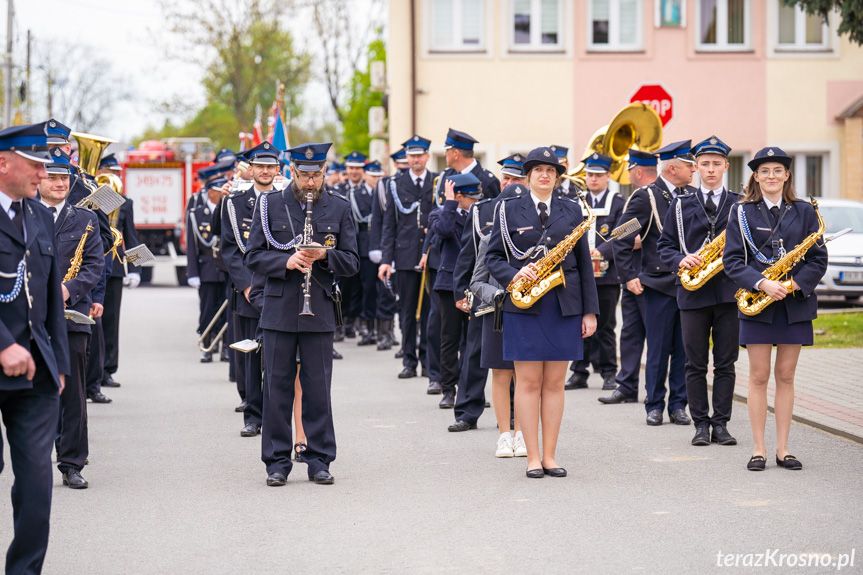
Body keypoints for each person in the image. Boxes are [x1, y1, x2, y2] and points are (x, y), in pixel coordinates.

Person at [245, 142, 359, 486]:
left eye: (317, 175)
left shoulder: (338, 206)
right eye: (304, 175)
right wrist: (285, 260)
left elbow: (353, 262)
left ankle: (319, 459)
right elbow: (252, 255)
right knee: (276, 387)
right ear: (291, 172)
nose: (311, 182)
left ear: (324, 172)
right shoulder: (269, 205)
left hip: (319, 308)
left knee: (317, 388)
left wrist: (324, 256)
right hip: (278, 308)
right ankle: (277, 462)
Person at [486, 147, 598, 478]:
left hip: (564, 305)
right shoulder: (507, 209)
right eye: (538, 170)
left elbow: (584, 267)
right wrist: (513, 275)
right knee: (529, 382)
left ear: (557, 176)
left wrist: (590, 312)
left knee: (554, 384)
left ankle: (550, 456)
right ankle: (532, 457)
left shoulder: (573, 209)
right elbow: (493, 257)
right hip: (525, 304)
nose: (545, 175)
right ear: (529, 175)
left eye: (551, 170)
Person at [724, 146, 827, 471]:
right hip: (758, 303)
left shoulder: (806, 211)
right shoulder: (742, 212)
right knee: (758, 376)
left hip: (794, 303)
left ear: (787, 175)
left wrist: (795, 284)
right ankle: (759, 449)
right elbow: (732, 261)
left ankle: (783, 449)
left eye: (777, 171)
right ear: (756, 176)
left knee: (785, 375)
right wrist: (762, 283)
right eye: (764, 171)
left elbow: (818, 259)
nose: (771, 176)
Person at [0, 123, 70, 575]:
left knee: (36, 482)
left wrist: (59, 363)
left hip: (36, 374)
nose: (44, 173)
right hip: (5, 356)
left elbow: (48, 300)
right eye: (36, 163)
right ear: (3, 162)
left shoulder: (39, 215)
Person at [658, 136, 741, 447]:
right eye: (704, 164)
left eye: (716, 164)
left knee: (725, 362)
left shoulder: (740, 204)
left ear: (725, 167)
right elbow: (664, 247)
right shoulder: (679, 205)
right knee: (694, 362)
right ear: (696, 167)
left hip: (729, 292)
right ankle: (700, 425)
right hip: (692, 293)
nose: (710, 169)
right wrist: (682, 259)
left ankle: (721, 424)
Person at [614, 140, 695, 426]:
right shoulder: (645, 197)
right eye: (689, 165)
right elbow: (621, 237)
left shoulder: (694, 196)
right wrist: (629, 276)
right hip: (658, 284)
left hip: (690, 285)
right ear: (673, 167)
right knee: (659, 348)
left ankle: (679, 404)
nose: (694, 169)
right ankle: (655, 404)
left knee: (684, 349)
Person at [39, 148, 104, 489]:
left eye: (64, 177)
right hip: (32, 317)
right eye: (52, 177)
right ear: (39, 180)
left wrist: (69, 290)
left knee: (75, 393)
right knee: (35, 391)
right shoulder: (25, 215)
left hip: (72, 313)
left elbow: (95, 265)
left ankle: (72, 463)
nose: (60, 183)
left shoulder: (85, 219)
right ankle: (35, 458)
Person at [448, 154, 526, 433]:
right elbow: (467, 255)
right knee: (474, 354)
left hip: (523, 297)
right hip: (486, 296)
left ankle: (516, 414)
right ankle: (467, 411)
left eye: (516, 178)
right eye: (506, 177)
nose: (509, 183)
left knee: (518, 359)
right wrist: (461, 291)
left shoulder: (535, 211)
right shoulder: (482, 210)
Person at [221, 141, 281, 437]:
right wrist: (246, 286)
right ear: (251, 169)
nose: (266, 171)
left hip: (280, 289)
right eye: (261, 166)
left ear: (278, 170)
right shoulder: (234, 204)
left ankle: (276, 414)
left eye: (271, 166)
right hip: (248, 293)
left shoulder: (287, 201)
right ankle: (252, 414)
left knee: (278, 356)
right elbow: (230, 251)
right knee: (250, 354)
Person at [468, 182, 528, 456]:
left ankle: (523, 433)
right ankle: (505, 434)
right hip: (498, 314)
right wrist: (498, 295)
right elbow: (477, 281)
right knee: (502, 376)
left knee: (527, 378)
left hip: (530, 313)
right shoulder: (489, 237)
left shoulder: (536, 239)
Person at [599, 149, 656, 404]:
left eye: (630, 170)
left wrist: (641, 241)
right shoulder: (638, 197)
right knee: (631, 333)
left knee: (656, 336)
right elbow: (622, 236)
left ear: (639, 171)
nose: (628, 174)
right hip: (632, 275)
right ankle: (627, 385)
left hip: (655, 276)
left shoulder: (658, 197)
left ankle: (655, 391)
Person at [378, 135, 437, 382]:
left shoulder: (437, 182)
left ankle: (428, 361)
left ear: (427, 157)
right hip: (404, 256)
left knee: (431, 313)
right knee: (407, 311)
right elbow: (389, 225)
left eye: (419, 155)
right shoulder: (395, 183)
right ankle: (409, 361)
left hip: (432, 257)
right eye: (411, 156)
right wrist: (385, 259)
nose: (415, 160)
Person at [566, 153, 624, 392]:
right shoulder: (574, 201)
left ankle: (609, 372)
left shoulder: (618, 201)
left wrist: (599, 252)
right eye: (590, 174)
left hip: (608, 276)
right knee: (580, 325)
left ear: (608, 176)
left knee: (606, 325)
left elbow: (620, 234)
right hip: (579, 275)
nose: (593, 179)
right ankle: (579, 372)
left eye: (598, 175)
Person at [428, 173, 482, 410]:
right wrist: (450, 203)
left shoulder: (482, 215)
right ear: (459, 196)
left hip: (476, 283)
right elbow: (444, 231)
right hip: (449, 285)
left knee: (473, 341)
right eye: (471, 198)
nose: (477, 201)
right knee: (449, 338)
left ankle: (471, 391)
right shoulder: (439, 214)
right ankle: (448, 389)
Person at [97, 155, 141, 389]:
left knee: (111, 321)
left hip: (114, 267)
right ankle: (90, 370)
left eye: (115, 171)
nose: (112, 175)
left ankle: (107, 370)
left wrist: (135, 269)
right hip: (88, 266)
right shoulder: (89, 198)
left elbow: (131, 237)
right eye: (107, 170)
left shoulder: (126, 202)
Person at [187, 178, 228, 362]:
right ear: (211, 192)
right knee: (207, 309)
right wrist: (193, 273)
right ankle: (207, 344)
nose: (222, 194)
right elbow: (192, 246)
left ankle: (226, 345)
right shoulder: (196, 213)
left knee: (226, 310)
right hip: (207, 270)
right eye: (218, 191)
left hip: (227, 270)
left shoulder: (229, 210)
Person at [335, 151, 367, 340]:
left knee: (361, 287)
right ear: (346, 170)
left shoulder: (368, 189)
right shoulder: (339, 190)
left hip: (363, 243)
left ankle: (354, 322)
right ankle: (341, 321)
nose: (354, 171)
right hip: (341, 244)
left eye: (358, 168)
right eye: (351, 168)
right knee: (343, 285)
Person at [353, 160, 384, 346]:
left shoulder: (384, 192)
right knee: (367, 288)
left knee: (384, 290)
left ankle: (381, 329)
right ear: (365, 175)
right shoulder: (355, 194)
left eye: (379, 175)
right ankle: (367, 326)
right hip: (364, 245)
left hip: (382, 243)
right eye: (373, 176)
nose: (376, 179)